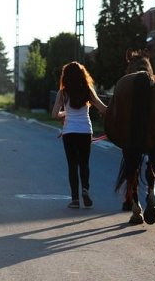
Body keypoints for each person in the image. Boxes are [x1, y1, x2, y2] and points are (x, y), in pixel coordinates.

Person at [51, 61, 107, 209]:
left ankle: (75, 200)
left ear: (66, 76)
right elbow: (103, 109)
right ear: (83, 75)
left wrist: (65, 113)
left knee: (72, 165)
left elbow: (54, 114)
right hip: (85, 131)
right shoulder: (88, 90)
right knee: (84, 163)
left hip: (69, 132)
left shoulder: (63, 92)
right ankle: (85, 189)